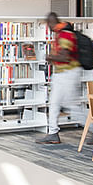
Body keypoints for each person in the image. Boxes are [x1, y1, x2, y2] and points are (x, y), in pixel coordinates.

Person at [37, 12, 82, 144]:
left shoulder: (64, 34)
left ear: (51, 22)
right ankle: (53, 132)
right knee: (55, 103)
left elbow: (64, 57)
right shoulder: (59, 33)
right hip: (61, 74)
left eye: (48, 23)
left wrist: (48, 57)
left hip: (68, 73)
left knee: (71, 106)